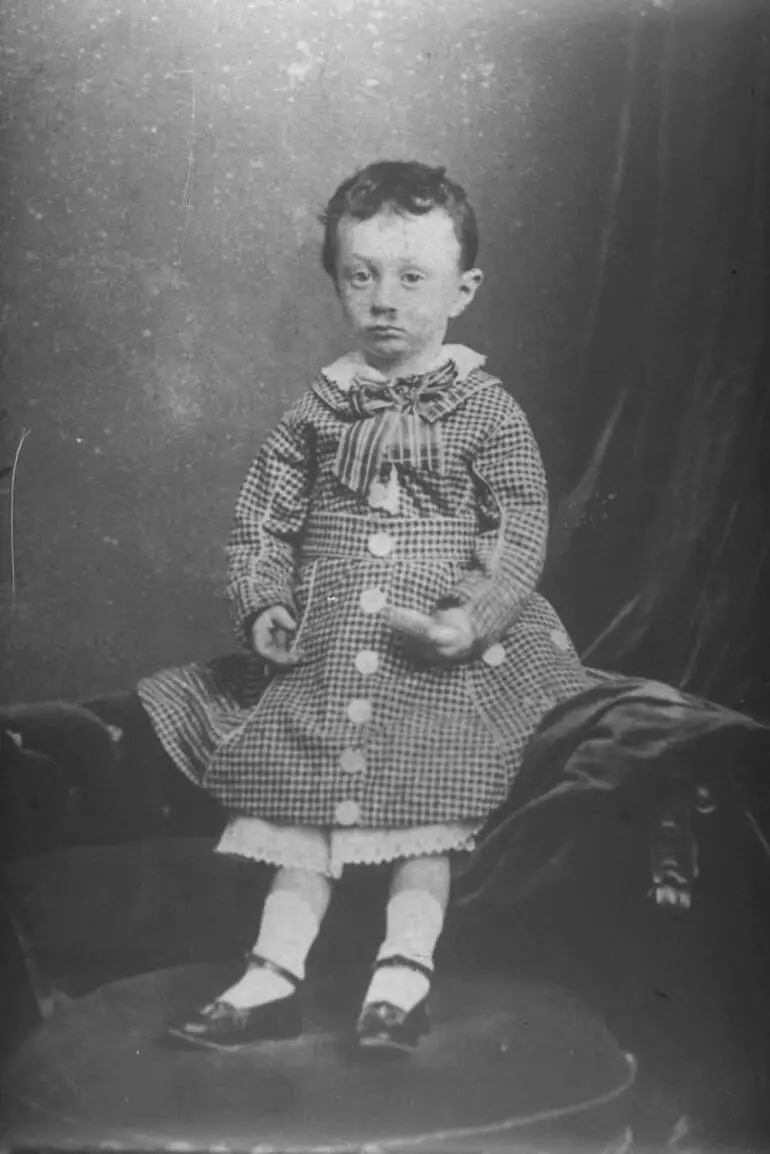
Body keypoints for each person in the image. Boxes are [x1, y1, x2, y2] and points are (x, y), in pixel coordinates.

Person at [141, 160, 591, 1053]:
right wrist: (263, 600)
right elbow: (263, 517)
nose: (384, 299)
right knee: (298, 807)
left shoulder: (486, 410)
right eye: (361, 275)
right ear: (337, 282)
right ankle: (271, 976)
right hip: (330, 648)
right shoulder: (318, 407)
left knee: (425, 802)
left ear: (462, 290)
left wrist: (474, 614)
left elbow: (518, 527)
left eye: (411, 278)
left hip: (438, 658)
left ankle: (402, 975)